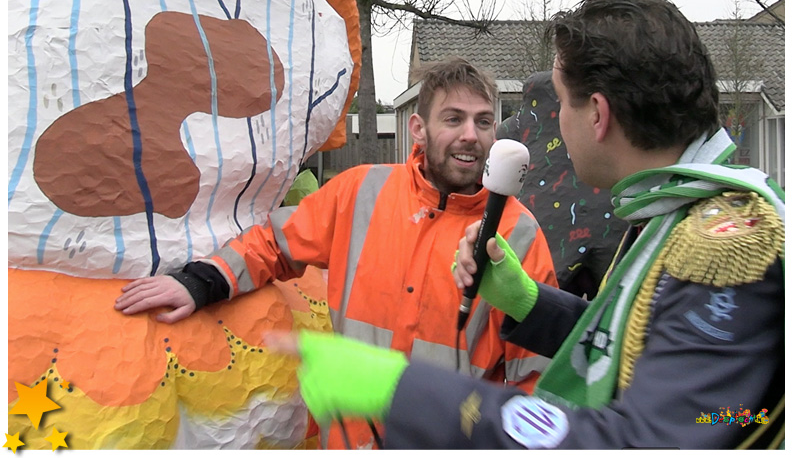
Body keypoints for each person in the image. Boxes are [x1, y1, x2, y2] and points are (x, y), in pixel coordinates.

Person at [278, 0, 785, 449]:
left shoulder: (724, 249)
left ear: (598, 115)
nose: (556, 122)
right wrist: (528, 303)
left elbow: (647, 440)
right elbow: (631, 346)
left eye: (561, 103)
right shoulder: (674, 212)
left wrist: (401, 390)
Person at [115, 56, 558, 449]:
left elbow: (536, 382)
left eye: (483, 122)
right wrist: (200, 283)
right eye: (454, 119)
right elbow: (272, 244)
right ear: (418, 129)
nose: (470, 136)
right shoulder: (360, 191)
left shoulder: (518, 234)